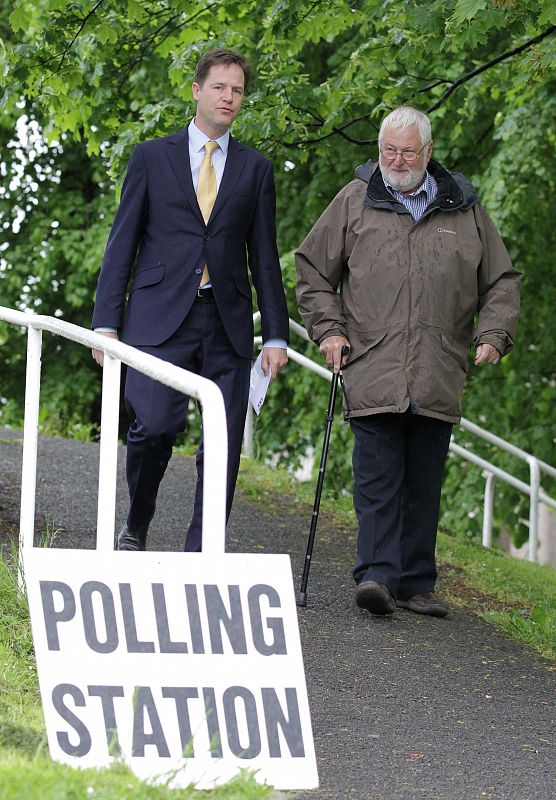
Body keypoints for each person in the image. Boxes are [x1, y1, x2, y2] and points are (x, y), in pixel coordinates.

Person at [295, 106, 520, 618]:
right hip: (372, 360)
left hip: (439, 365)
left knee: (424, 477)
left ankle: (417, 581)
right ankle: (376, 575)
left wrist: (494, 333)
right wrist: (329, 330)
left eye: (407, 151)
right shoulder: (355, 201)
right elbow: (311, 269)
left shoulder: (463, 209)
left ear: (428, 152)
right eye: (388, 151)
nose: (397, 160)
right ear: (379, 152)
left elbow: (502, 280)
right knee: (378, 476)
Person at [91, 48, 289, 552]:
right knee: (154, 424)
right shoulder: (151, 158)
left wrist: (277, 335)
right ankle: (136, 521)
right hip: (158, 319)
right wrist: (104, 325)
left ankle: (203, 551)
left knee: (222, 440)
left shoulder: (256, 169)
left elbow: (265, 257)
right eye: (220, 87)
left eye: (238, 90)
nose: (229, 97)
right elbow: (122, 244)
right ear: (197, 90)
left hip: (226, 322)